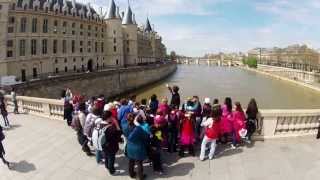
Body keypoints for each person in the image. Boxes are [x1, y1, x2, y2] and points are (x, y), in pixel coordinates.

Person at [124, 113, 149, 180]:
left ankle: (131, 174)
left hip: (129, 146)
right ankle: (140, 177)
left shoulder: (125, 126)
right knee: (139, 162)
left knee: (131, 161)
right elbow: (146, 136)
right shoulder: (138, 129)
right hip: (138, 147)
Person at [102, 111, 122, 175]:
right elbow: (118, 134)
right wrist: (116, 123)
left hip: (103, 144)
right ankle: (112, 171)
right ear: (109, 117)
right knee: (111, 158)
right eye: (111, 116)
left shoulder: (99, 123)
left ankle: (106, 166)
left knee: (106, 156)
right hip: (111, 146)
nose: (112, 117)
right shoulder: (110, 128)